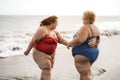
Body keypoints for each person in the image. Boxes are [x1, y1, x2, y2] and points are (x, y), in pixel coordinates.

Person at [24, 15, 68, 80]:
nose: (58, 24)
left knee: (45, 71)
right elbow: (33, 41)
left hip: (51, 55)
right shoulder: (42, 30)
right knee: (46, 68)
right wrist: (27, 51)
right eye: (57, 23)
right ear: (52, 23)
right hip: (40, 53)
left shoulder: (55, 31)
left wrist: (69, 44)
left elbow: (61, 40)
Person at [67, 11, 100, 80]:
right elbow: (98, 40)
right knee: (85, 74)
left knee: (85, 76)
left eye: (83, 17)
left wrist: (70, 43)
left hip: (83, 55)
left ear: (87, 19)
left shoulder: (85, 27)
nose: (82, 18)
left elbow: (80, 40)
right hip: (93, 53)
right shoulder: (95, 27)